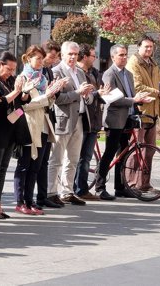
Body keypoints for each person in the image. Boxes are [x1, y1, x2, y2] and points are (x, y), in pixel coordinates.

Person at [95, 45, 152, 200]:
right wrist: (134, 99)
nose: (124, 57)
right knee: (110, 153)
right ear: (113, 57)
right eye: (121, 55)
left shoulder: (128, 74)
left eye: (126, 54)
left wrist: (139, 101)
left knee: (123, 153)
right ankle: (100, 188)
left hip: (127, 118)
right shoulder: (109, 74)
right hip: (114, 119)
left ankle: (120, 187)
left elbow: (130, 95)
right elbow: (112, 98)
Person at [14, 46, 64, 215]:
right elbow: (23, 106)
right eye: (37, 58)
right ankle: (20, 201)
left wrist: (52, 94)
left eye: (42, 59)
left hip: (43, 124)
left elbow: (46, 104)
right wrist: (46, 95)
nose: (40, 62)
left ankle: (30, 200)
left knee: (36, 166)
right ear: (28, 59)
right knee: (24, 165)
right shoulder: (23, 77)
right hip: (28, 125)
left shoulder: (43, 77)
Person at [125, 35, 160, 197]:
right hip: (140, 112)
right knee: (135, 151)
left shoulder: (153, 64)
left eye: (151, 47)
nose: (149, 49)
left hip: (152, 113)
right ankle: (131, 184)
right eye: (146, 47)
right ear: (138, 47)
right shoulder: (133, 63)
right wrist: (158, 92)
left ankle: (144, 184)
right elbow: (137, 85)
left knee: (149, 151)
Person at [47, 41, 95, 207]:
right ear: (62, 54)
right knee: (56, 159)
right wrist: (77, 93)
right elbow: (57, 98)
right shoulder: (56, 72)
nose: (73, 57)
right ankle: (51, 191)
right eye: (70, 54)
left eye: (76, 54)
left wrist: (88, 95)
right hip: (63, 120)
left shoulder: (80, 73)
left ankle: (67, 191)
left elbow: (87, 97)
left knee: (73, 159)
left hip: (79, 119)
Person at [0, 51, 30, 219]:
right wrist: (17, 92)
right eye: (8, 69)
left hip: (11, 129)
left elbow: (19, 104)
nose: (11, 72)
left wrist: (24, 93)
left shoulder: (10, 80)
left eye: (13, 69)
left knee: (3, 168)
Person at [74, 44, 105, 201]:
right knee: (79, 157)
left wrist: (101, 93)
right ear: (85, 56)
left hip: (94, 119)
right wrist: (96, 93)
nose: (95, 59)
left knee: (86, 157)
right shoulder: (77, 73)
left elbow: (97, 94)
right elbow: (82, 94)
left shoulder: (94, 73)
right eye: (93, 56)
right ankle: (78, 189)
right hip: (82, 119)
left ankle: (81, 188)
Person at [36, 40, 63, 208]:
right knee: (35, 162)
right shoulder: (35, 72)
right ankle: (33, 197)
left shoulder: (49, 71)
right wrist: (50, 92)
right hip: (37, 119)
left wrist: (56, 89)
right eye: (51, 57)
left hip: (48, 117)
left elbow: (54, 98)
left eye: (56, 57)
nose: (53, 60)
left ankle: (43, 195)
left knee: (44, 160)